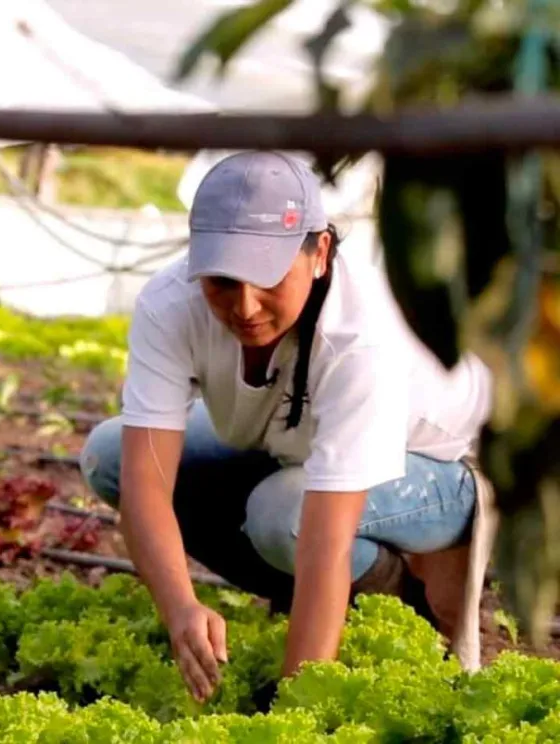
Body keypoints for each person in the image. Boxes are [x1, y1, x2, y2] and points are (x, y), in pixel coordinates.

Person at [78, 150, 499, 703]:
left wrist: (294, 707)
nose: (245, 306)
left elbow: (325, 541)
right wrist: (180, 608)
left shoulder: (361, 336)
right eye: (223, 280)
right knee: (109, 453)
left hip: (447, 470)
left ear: (319, 252)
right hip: (293, 439)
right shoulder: (170, 301)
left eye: (268, 277)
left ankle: (398, 604)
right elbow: (145, 484)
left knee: (283, 517)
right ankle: (297, 597)